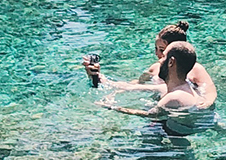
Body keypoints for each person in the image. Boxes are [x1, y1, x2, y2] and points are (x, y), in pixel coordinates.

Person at [83, 21, 218, 105]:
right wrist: (106, 84)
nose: (157, 54)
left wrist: (204, 104)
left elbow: (209, 90)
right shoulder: (154, 69)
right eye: (156, 49)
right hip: (158, 105)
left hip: (182, 108)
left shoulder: (195, 69)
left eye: (162, 50)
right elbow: (136, 84)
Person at [97, 41, 215, 134]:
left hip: (182, 130)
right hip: (192, 123)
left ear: (171, 62)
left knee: (151, 131)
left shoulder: (174, 98)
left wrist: (112, 107)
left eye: (163, 56)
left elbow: (149, 114)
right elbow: (131, 87)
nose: (159, 60)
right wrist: (99, 77)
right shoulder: (177, 88)